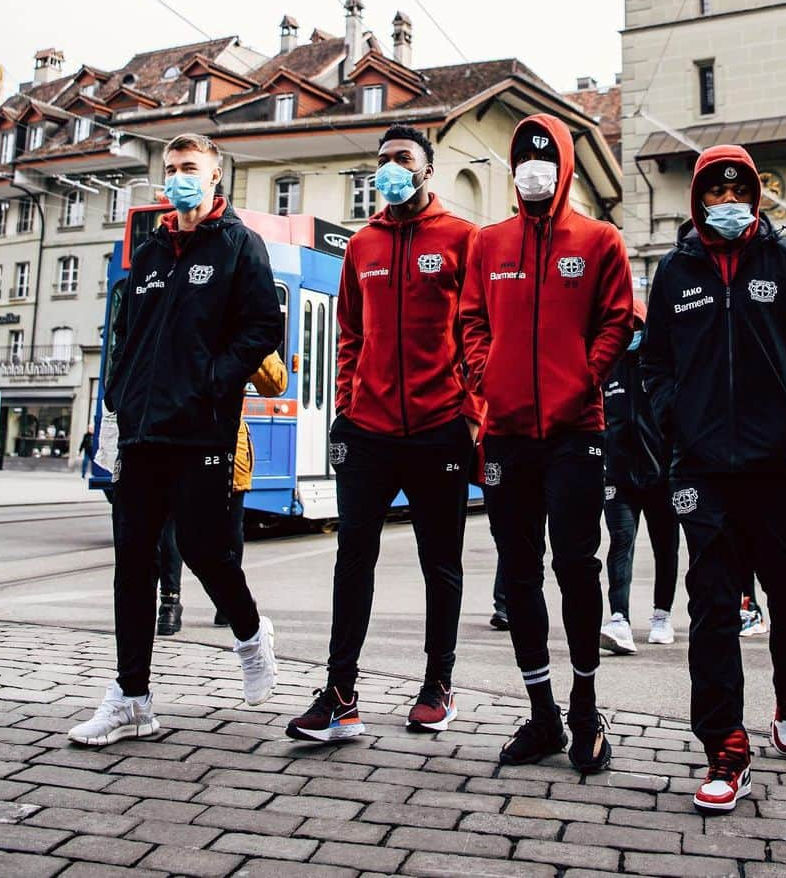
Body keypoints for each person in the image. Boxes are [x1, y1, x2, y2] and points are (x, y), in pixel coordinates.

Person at [642, 145, 786, 813]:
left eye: (738, 193)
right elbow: (656, 365)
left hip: (779, 465)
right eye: (714, 193)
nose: (726, 204)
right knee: (713, 610)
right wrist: (675, 420)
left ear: (755, 197)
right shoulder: (674, 272)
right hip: (702, 470)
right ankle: (725, 747)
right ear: (698, 199)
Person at [69, 134, 284, 747]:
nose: (179, 177)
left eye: (191, 167)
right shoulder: (152, 248)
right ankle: (131, 698)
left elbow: (264, 325)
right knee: (133, 563)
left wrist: (213, 382)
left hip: (200, 428)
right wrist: (116, 398)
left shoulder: (240, 245)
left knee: (204, 549)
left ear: (217, 176)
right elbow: (130, 332)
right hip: (141, 429)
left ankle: (249, 632)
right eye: (171, 169)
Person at [286, 126, 479, 744]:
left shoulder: (460, 239)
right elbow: (350, 334)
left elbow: (479, 332)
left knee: (439, 564)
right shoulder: (363, 244)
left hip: (438, 427)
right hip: (367, 429)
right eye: (382, 161)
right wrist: (346, 402)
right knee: (353, 560)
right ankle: (340, 695)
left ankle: (437, 686)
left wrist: (471, 413)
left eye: (402, 159)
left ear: (427, 169)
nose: (390, 168)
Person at [461, 114, 633, 774]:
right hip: (506, 433)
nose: (532, 168)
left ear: (562, 166)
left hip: (574, 434)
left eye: (544, 157)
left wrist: (584, 377)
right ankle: (543, 716)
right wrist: (485, 378)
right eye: (522, 157)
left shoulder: (598, 241)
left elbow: (618, 319)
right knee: (519, 571)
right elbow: (471, 320)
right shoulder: (488, 242)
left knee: (577, 567)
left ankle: (585, 708)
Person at [599, 300, 679, 655]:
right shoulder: (607, 368)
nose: (629, 332)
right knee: (620, 545)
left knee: (666, 547)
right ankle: (619, 619)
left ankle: (662, 615)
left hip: (662, 476)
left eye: (636, 326)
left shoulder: (660, 366)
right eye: (623, 326)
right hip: (619, 476)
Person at [215, 352, 288, 625]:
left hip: (175, 431)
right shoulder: (241, 318)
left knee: (172, 524)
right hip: (226, 441)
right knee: (230, 526)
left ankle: (169, 606)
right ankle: (229, 604)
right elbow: (276, 383)